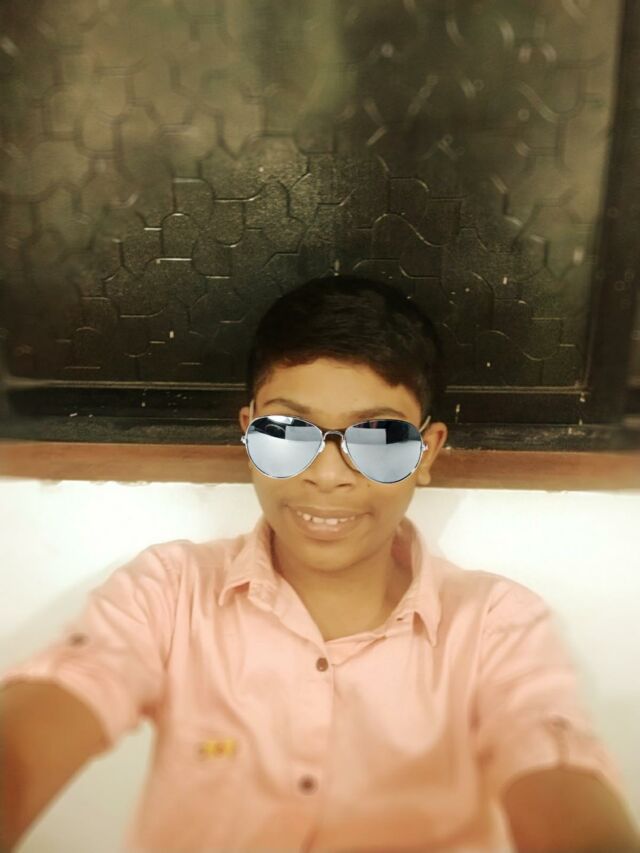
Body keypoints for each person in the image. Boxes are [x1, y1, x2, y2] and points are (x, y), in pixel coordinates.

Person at [1, 275, 639, 852]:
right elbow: (59, 703)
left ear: (427, 452)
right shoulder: (168, 593)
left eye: (380, 437)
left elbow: (554, 768)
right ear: (247, 432)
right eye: (286, 433)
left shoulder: (497, 626)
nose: (328, 475)